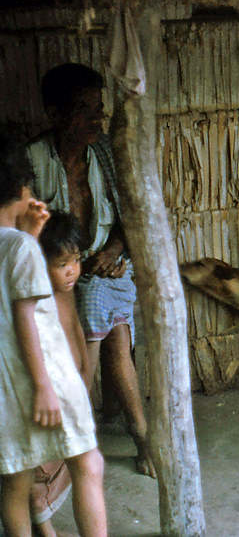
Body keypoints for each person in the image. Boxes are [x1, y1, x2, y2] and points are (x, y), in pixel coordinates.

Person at [26, 62, 155, 478]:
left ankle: (86, 437)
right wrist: (64, 268)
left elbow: (130, 217)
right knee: (107, 328)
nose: (97, 118)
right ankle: (139, 436)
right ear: (55, 114)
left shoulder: (104, 155)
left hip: (105, 268)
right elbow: (22, 237)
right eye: (84, 109)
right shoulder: (33, 161)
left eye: (99, 108)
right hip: (54, 278)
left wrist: (114, 251)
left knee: (104, 310)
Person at [0, 137, 108, 537]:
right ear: (22, 188)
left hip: (6, 386)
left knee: (16, 480)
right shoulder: (23, 249)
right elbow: (25, 319)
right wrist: (44, 386)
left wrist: (30, 234)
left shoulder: (16, 244)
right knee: (89, 464)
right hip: (44, 378)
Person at [30, 211, 90, 535]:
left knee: (74, 463)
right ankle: (44, 528)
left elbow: (76, 333)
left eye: (76, 260)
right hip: (50, 400)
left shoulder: (67, 293)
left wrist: (85, 374)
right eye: (62, 264)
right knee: (39, 472)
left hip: (72, 392)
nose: (72, 271)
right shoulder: (35, 304)